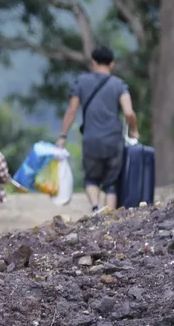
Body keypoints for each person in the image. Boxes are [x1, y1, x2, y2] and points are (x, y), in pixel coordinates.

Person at [55, 45, 140, 213]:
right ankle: (109, 217)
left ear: (93, 63)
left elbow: (71, 110)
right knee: (111, 183)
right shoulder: (119, 85)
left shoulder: (81, 82)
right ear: (112, 64)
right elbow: (129, 112)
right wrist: (134, 131)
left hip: (91, 140)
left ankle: (95, 208)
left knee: (91, 179)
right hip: (113, 141)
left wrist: (63, 135)